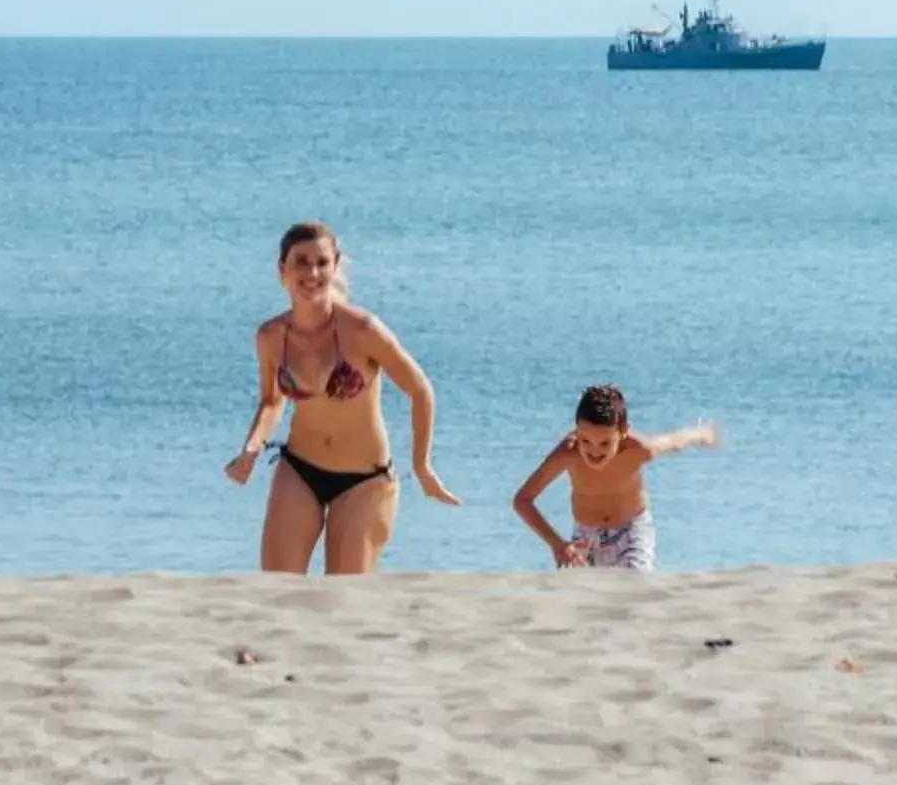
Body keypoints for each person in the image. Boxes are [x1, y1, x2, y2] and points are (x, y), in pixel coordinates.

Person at [225, 222, 457, 573]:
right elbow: (272, 401)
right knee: (276, 590)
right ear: (282, 269)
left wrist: (422, 467)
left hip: (365, 480)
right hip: (299, 470)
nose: (312, 272)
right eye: (301, 262)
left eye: (321, 262)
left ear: (335, 266)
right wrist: (252, 448)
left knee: (343, 596)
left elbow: (420, 390)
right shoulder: (271, 336)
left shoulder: (362, 329)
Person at [508, 384, 720, 571]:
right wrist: (557, 544)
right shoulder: (568, 454)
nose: (594, 451)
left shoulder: (639, 450)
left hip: (631, 534)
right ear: (576, 431)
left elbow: (672, 442)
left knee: (635, 596)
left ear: (623, 433)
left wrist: (700, 434)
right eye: (586, 441)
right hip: (585, 538)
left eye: (605, 443)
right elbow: (523, 500)